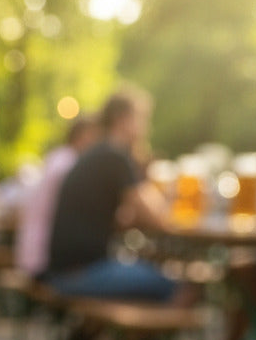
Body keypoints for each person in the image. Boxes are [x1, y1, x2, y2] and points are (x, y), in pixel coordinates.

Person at [45, 87, 178, 302]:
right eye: (142, 119)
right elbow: (158, 218)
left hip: (66, 269)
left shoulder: (98, 153)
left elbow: (118, 218)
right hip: (79, 273)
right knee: (175, 286)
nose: (147, 128)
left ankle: (115, 336)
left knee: (148, 277)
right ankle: (143, 334)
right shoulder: (114, 155)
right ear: (122, 119)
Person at [14, 113, 99, 278]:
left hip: (32, 255)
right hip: (45, 259)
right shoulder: (70, 164)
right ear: (84, 134)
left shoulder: (58, 157)